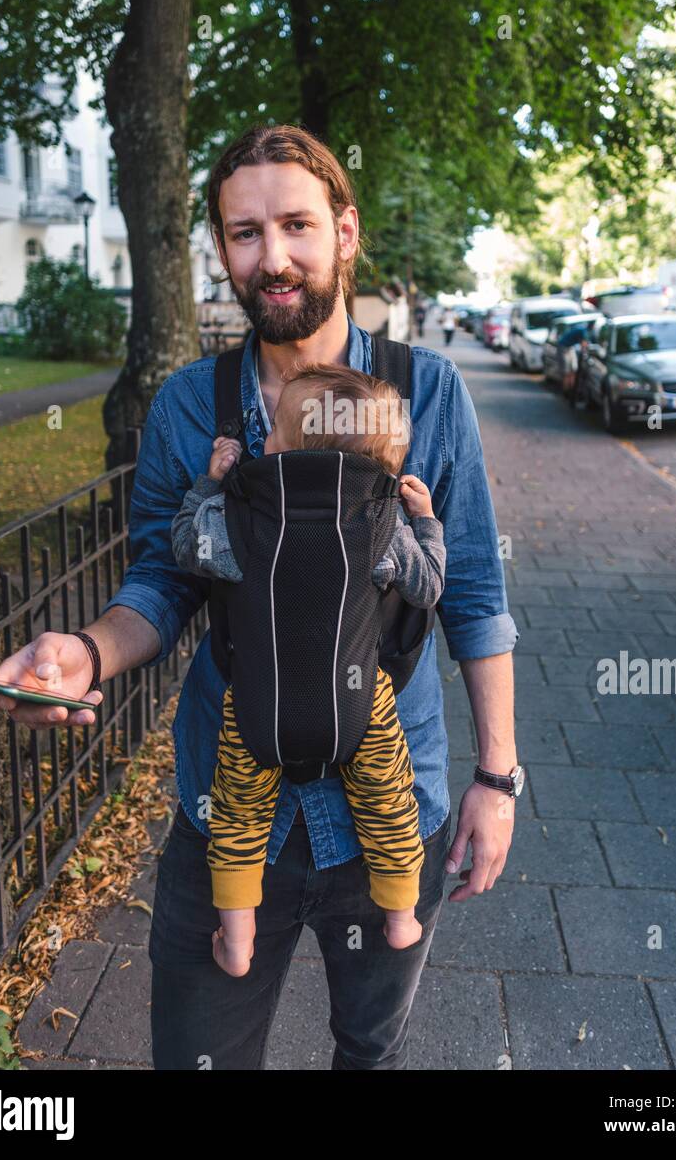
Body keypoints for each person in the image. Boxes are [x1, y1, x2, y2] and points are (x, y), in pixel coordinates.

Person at [0, 123, 520, 1071]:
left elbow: (472, 594)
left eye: (296, 226)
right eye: (243, 233)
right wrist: (86, 652)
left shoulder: (426, 393)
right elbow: (162, 580)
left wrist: (497, 778)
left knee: (372, 1050)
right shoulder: (193, 406)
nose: (271, 258)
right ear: (223, 248)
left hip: (395, 800)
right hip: (230, 805)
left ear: (344, 234)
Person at [169, 362, 446, 976]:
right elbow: (428, 588)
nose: (262, 440)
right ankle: (401, 917)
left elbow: (186, 547)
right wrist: (425, 522)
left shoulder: (239, 522)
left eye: (272, 435)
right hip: (362, 704)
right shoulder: (383, 526)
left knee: (238, 810)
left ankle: (238, 941)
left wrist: (208, 486)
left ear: (290, 453)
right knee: (387, 798)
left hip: (257, 700)